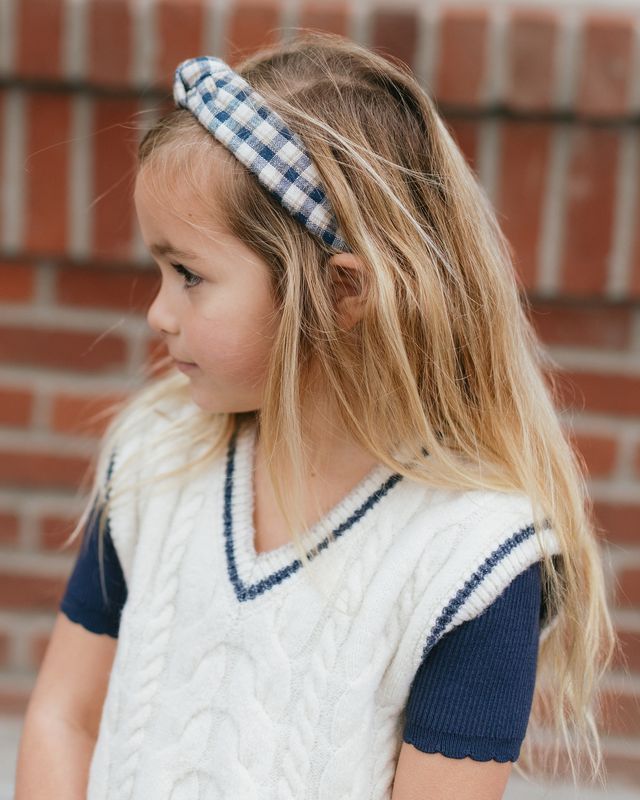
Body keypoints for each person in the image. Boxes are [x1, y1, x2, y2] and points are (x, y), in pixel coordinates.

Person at [15, 31, 616, 800]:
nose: (158, 314)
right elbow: (64, 718)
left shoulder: (474, 561)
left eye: (189, 274)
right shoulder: (153, 458)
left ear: (341, 292)